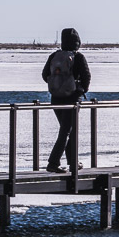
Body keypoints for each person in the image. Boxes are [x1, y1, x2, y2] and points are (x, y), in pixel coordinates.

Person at [41, 27, 91, 173]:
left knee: (68, 130)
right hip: (73, 100)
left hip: (56, 99)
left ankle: (73, 162)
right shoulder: (78, 57)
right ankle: (53, 163)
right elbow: (87, 77)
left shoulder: (54, 56)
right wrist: (80, 90)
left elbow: (45, 75)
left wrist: (57, 85)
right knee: (66, 131)